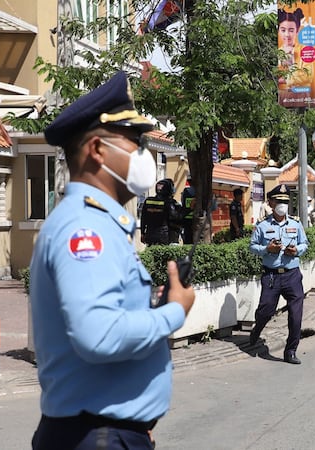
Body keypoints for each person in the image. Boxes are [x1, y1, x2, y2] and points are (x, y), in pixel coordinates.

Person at [30, 71, 196, 449]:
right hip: (96, 435)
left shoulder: (100, 222)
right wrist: (173, 311)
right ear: (97, 151)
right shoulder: (85, 228)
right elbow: (99, 335)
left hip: (106, 432)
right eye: (134, 143)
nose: (143, 155)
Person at [249, 184, 309, 364]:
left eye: (285, 202)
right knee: (265, 311)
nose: (282, 205)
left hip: (292, 275)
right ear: (270, 202)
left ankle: (290, 351)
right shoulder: (262, 225)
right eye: (279, 201)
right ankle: (257, 329)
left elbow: (304, 244)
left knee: (296, 315)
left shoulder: (296, 224)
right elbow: (252, 246)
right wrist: (267, 249)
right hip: (272, 276)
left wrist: (296, 250)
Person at [277, 7, 314, 107]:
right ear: (279, 30)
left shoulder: (305, 50)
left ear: (297, 31)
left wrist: (284, 79)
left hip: (301, 97)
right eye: (283, 30)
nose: (287, 35)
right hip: (281, 98)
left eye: (291, 30)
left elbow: (308, 76)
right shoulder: (275, 52)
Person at [140, 178, 184, 245]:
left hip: (150, 235)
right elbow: (176, 218)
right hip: (165, 237)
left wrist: (142, 233)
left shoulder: (148, 201)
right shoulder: (170, 203)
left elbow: (143, 218)